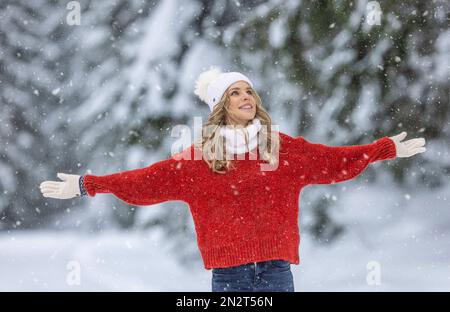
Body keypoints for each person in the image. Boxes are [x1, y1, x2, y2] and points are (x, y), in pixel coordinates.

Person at [39, 67, 426, 292]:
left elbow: (332, 161)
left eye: (250, 91)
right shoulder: (199, 160)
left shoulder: (279, 149)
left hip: (277, 273)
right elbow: (145, 182)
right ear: (220, 107)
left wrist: (382, 149)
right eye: (236, 92)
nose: (247, 97)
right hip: (229, 278)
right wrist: (88, 184)